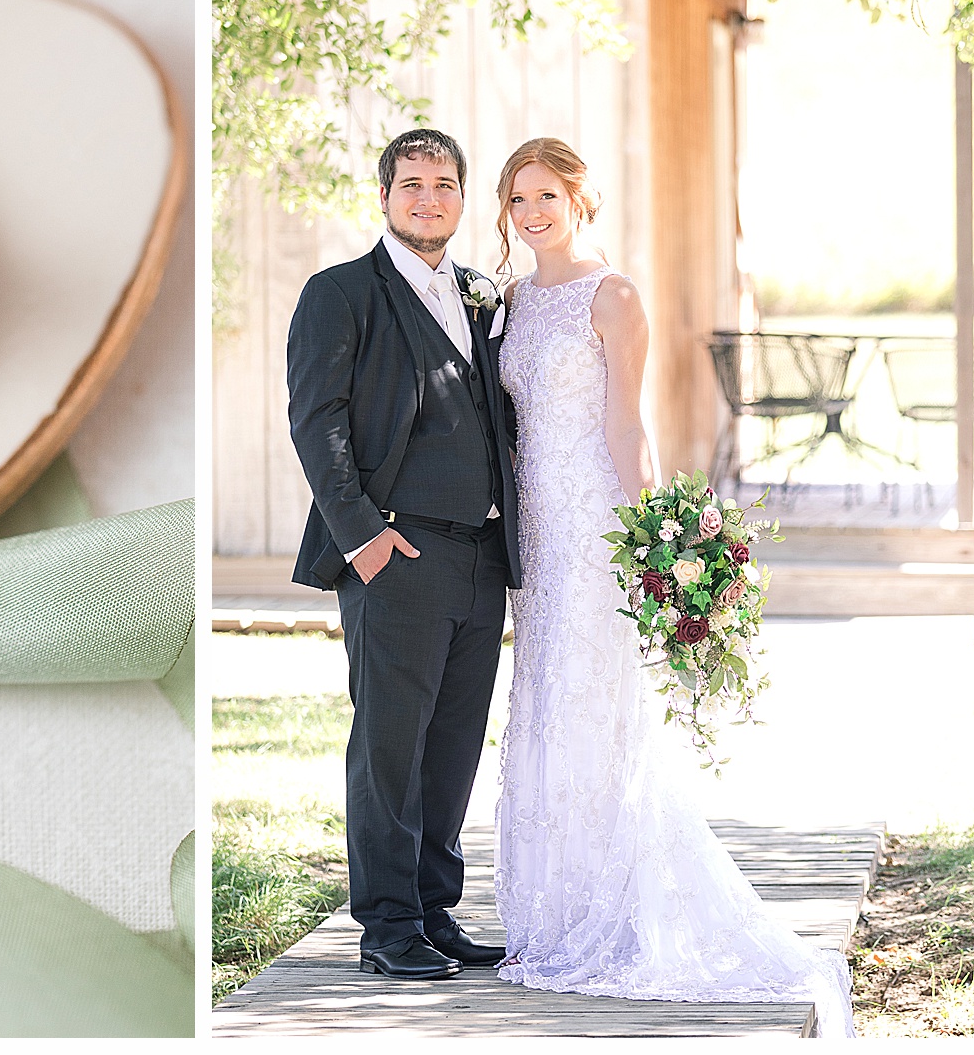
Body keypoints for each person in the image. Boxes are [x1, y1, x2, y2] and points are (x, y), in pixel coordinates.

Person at [489, 137, 856, 1037]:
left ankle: (607, 906)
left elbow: (626, 422)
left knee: (593, 701)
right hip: (531, 527)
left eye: (547, 195)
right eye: (516, 198)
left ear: (581, 199)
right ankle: (550, 910)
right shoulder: (510, 299)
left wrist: (650, 533)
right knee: (543, 697)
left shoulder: (613, 296)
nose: (531, 212)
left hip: (590, 522)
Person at [285, 129, 523, 980]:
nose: (429, 198)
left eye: (445, 184)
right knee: (390, 745)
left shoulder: (480, 294)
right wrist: (366, 539)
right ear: (382, 196)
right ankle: (386, 926)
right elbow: (320, 424)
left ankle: (433, 910)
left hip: (481, 557)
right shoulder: (339, 293)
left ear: (462, 199)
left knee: (453, 745)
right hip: (397, 552)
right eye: (412, 184)